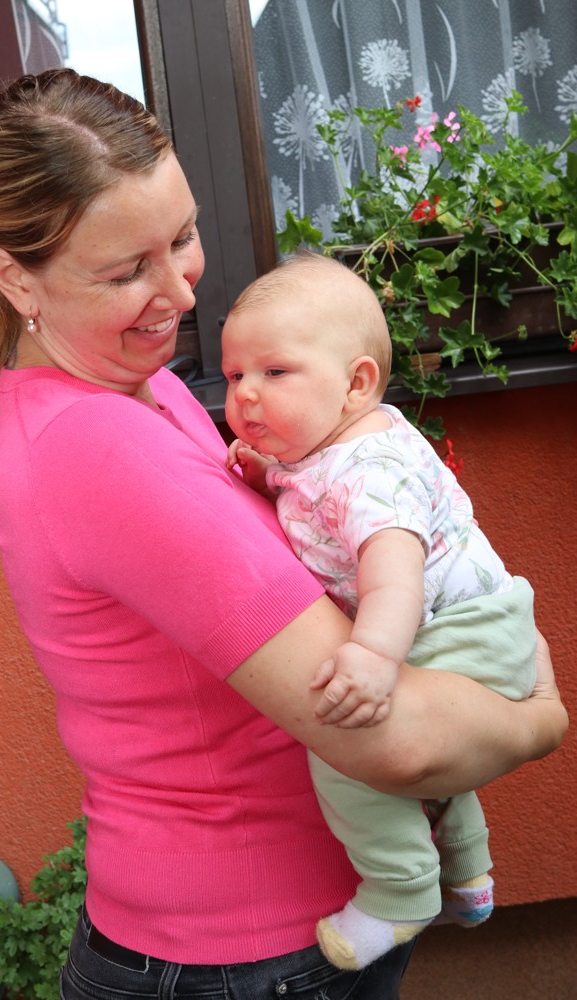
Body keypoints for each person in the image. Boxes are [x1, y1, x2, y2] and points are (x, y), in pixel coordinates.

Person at [0, 69, 566, 1000]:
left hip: (272, 934)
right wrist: (538, 717)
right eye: (125, 271)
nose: (178, 293)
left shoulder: (144, 386)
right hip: (238, 952)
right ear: (15, 276)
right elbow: (392, 744)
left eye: (181, 238)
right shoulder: (102, 448)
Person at [221, 251, 540, 971]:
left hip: (457, 630)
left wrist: (371, 656)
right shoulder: (335, 445)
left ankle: (401, 894)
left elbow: (395, 576)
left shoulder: (369, 472)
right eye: (236, 375)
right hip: (475, 626)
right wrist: (269, 476)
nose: (246, 394)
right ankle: (469, 870)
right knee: (435, 750)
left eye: (275, 371)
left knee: (349, 744)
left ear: (356, 384)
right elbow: (314, 496)